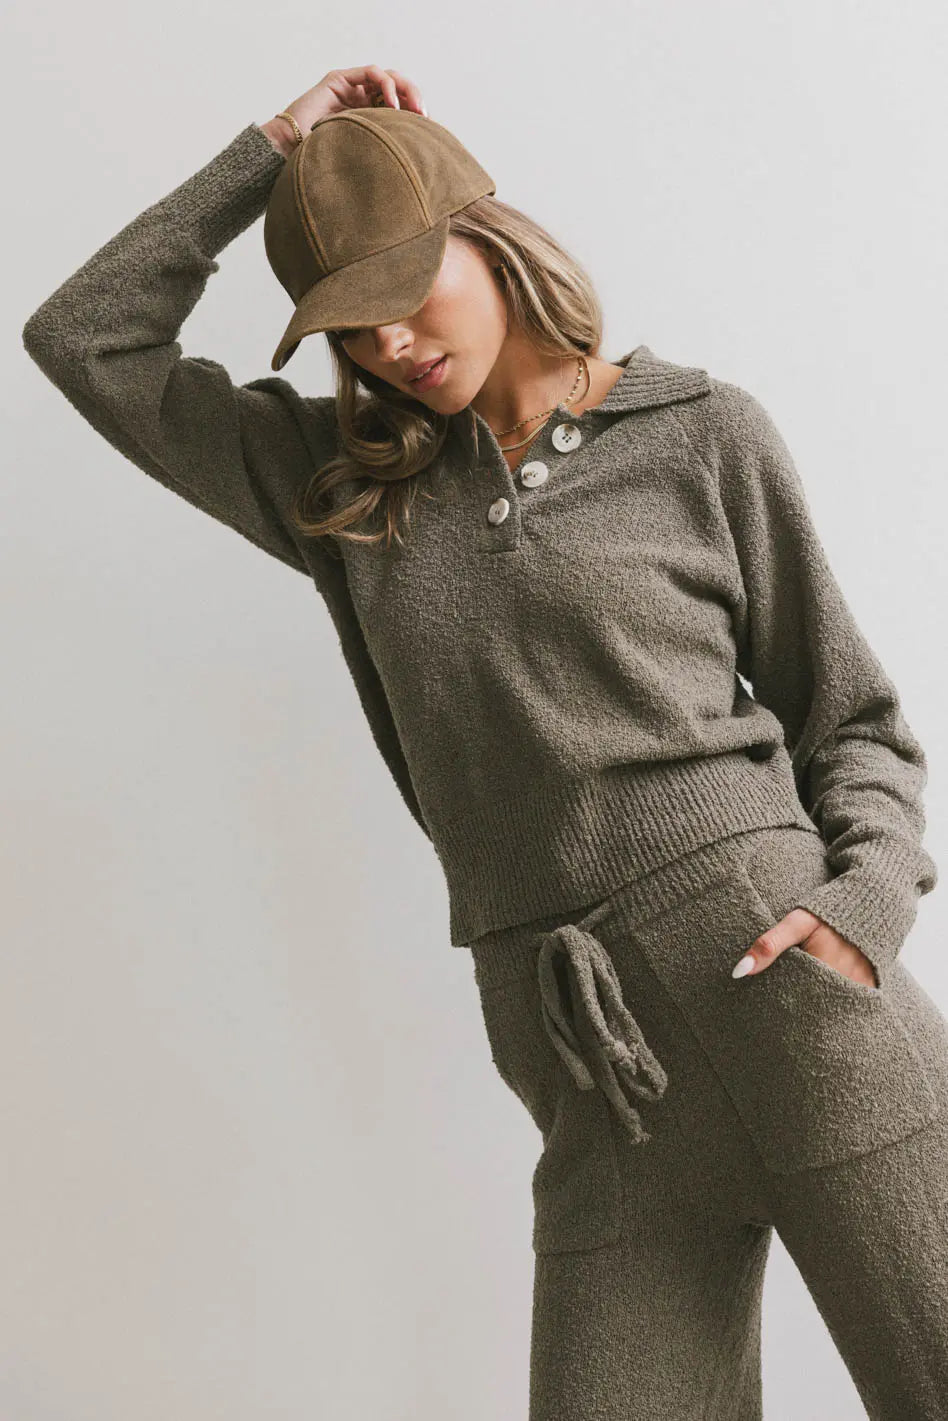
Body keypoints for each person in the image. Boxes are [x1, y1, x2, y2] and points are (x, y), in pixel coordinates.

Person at [22, 64, 948, 1420]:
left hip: (792, 997)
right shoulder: (347, 493)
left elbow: (852, 720)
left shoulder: (701, 435)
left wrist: (859, 914)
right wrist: (273, 150)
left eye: (407, 290)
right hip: (591, 1070)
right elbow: (85, 337)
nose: (391, 344)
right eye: (350, 328)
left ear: (489, 235)